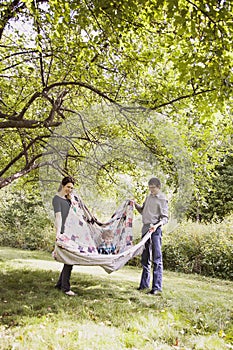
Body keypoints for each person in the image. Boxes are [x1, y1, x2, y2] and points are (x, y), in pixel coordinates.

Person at [134, 177, 169, 295]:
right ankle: (143, 285)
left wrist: (156, 225)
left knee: (157, 259)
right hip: (145, 228)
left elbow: (165, 218)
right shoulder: (148, 197)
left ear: (158, 187)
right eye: (149, 187)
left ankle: (156, 288)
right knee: (145, 258)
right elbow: (142, 211)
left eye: (153, 188)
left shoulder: (162, 199)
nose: (151, 190)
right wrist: (135, 204)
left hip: (155, 230)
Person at [52, 176, 76, 296]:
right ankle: (65, 288)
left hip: (71, 232)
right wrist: (58, 234)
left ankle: (59, 284)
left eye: (71, 188)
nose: (70, 190)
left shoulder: (69, 200)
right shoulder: (57, 199)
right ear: (62, 185)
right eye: (68, 187)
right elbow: (58, 217)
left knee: (68, 260)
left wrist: (71, 200)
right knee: (69, 260)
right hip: (63, 233)